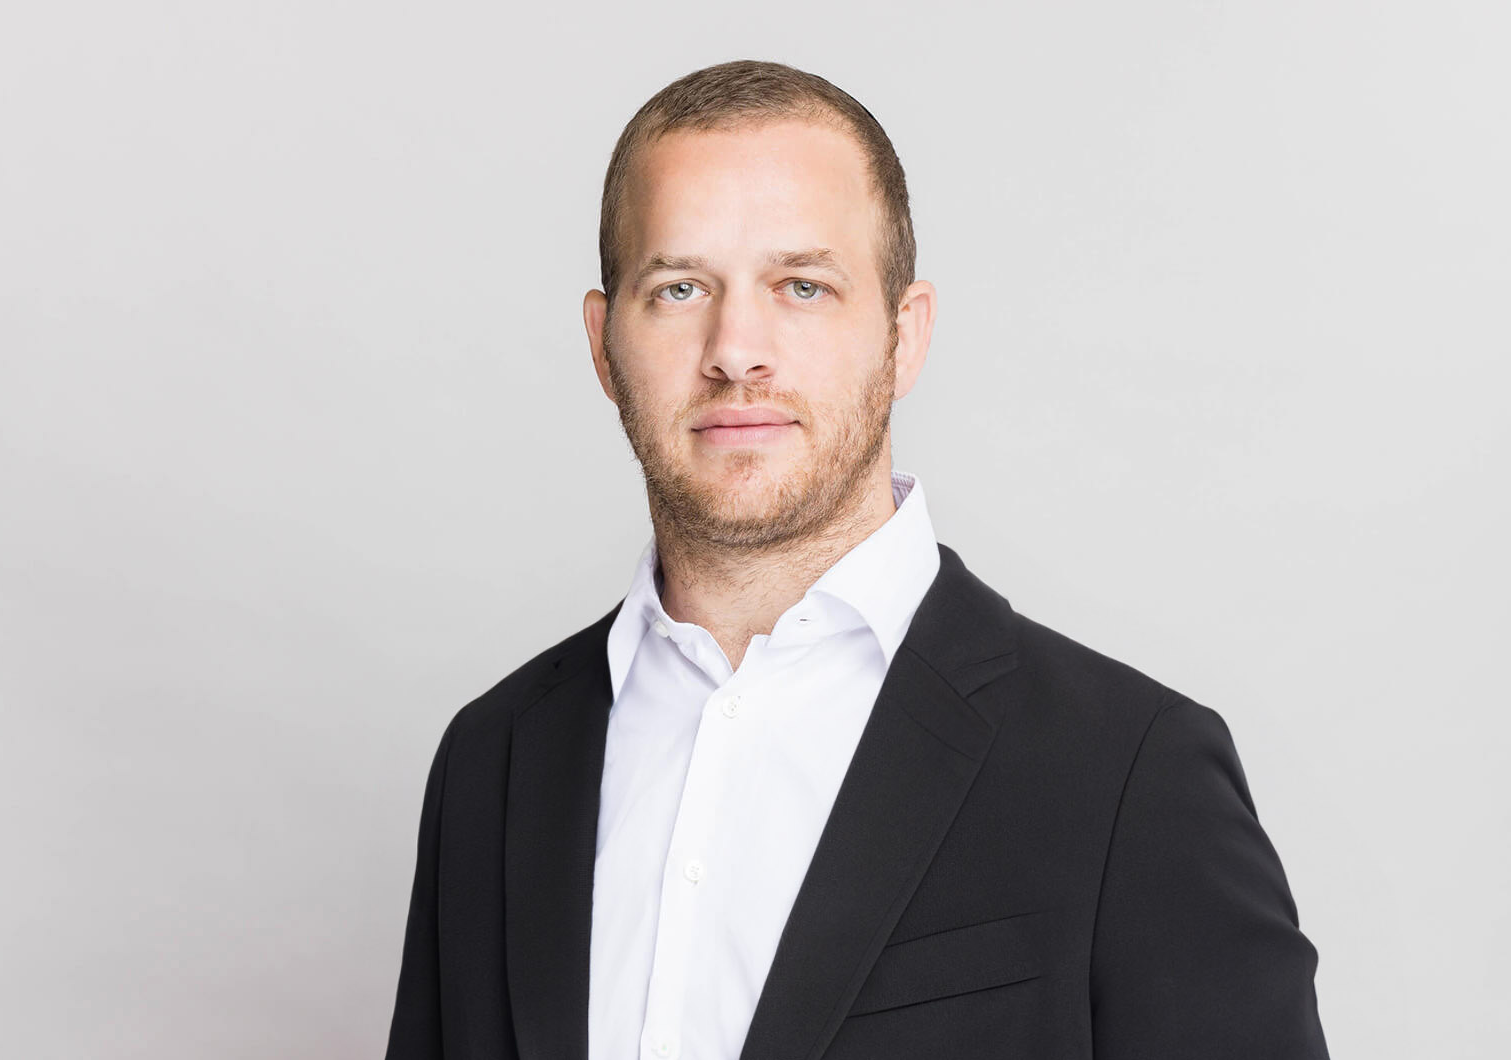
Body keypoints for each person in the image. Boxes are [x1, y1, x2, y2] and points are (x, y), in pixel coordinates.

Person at [384, 59, 1330, 1060]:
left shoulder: (1131, 773)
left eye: (802, 285)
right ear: (601, 342)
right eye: (678, 287)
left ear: (903, 336)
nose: (735, 349)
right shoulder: (493, 761)